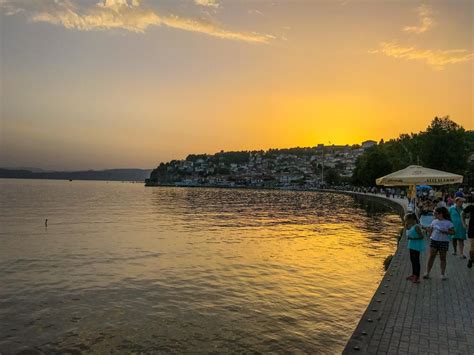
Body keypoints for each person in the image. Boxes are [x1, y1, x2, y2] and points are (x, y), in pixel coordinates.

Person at [423, 207, 455, 280]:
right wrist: (426, 229)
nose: (434, 214)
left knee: (443, 258)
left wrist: (446, 232)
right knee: (431, 257)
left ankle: (442, 274)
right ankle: (427, 273)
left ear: (441, 214)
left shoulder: (448, 222)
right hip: (434, 240)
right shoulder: (434, 221)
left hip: (444, 242)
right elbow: (430, 230)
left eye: (436, 213)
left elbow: (453, 232)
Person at [405, 213, 425, 283]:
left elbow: (422, 236)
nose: (406, 221)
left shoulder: (416, 227)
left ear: (412, 219)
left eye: (407, 220)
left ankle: (417, 277)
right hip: (411, 245)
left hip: (416, 246)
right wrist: (406, 227)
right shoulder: (411, 226)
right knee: (412, 260)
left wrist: (412, 238)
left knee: (416, 261)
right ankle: (414, 274)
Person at [462, 204, 474, 268]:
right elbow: (463, 213)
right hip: (472, 229)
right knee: (472, 246)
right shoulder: (471, 206)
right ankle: (471, 260)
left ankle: (471, 259)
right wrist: (463, 223)